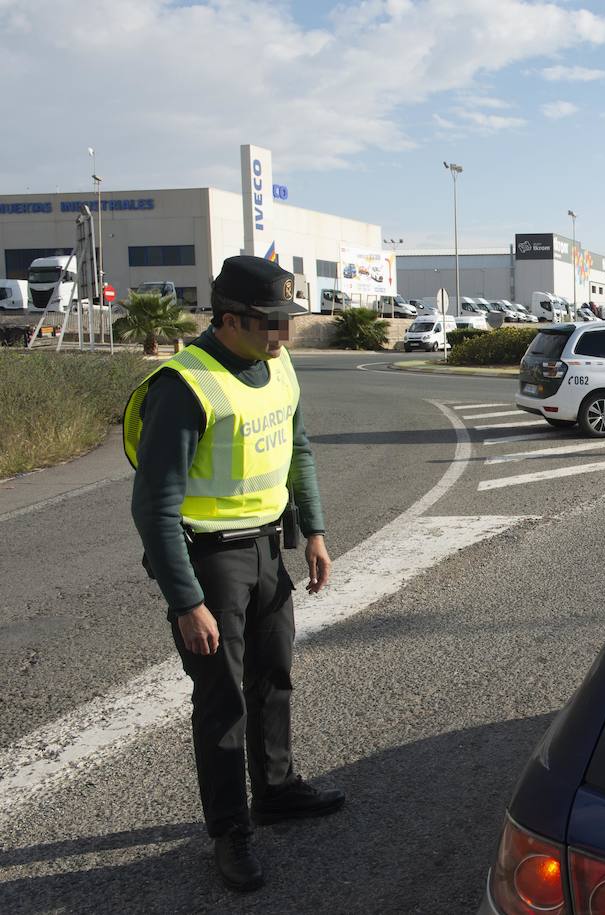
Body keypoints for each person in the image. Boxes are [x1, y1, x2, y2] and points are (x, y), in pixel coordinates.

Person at [124, 256, 344, 893]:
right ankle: (229, 832)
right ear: (228, 318)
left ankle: (275, 791)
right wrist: (185, 602)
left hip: (269, 549)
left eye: (286, 321)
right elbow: (154, 507)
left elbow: (297, 448)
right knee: (222, 700)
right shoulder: (183, 387)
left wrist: (316, 533)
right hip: (209, 559)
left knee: (274, 676)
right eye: (270, 323)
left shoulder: (278, 364)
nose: (282, 335)